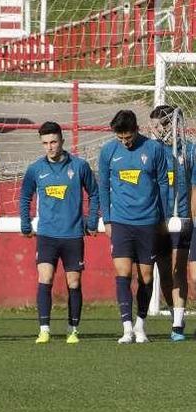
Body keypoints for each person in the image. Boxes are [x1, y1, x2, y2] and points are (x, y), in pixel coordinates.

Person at [19, 122, 99, 344]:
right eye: (45, 143)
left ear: (62, 141)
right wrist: (25, 224)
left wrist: (92, 221)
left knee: (73, 282)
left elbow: (94, 193)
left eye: (53, 142)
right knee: (45, 278)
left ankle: (73, 329)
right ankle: (44, 329)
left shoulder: (80, 166)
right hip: (46, 235)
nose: (50, 147)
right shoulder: (36, 169)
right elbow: (25, 196)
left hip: (73, 235)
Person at [98, 109, 170, 344]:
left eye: (127, 138)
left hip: (148, 221)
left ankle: (141, 325)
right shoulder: (109, 151)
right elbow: (103, 187)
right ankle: (127, 327)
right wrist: (107, 219)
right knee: (123, 273)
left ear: (136, 130)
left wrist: (164, 217)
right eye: (120, 138)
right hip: (120, 221)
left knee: (146, 276)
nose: (124, 142)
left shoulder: (154, 149)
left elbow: (163, 184)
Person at [149, 105, 191, 341]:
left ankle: (177, 324)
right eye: (152, 126)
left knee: (179, 270)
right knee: (164, 272)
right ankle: (175, 314)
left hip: (183, 219)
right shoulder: (151, 152)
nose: (156, 130)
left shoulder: (189, 151)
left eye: (160, 125)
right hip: (157, 220)